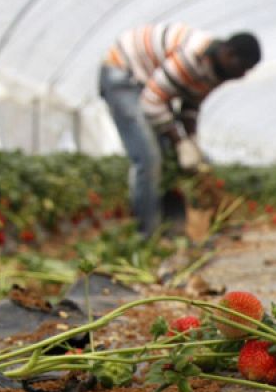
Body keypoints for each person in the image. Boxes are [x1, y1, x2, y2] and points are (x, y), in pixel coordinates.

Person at [99, 24, 260, 236]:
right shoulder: (192, 57)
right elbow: (151, 101)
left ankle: (172, 231)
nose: (243, 74)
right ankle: (146, 235)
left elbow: (190, 107)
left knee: (172, 161)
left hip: (149, 84)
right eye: (243, 67)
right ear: (229, 54)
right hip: (123, 73)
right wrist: (180, 142)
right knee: (149, 158)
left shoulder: (217, 71)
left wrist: (191, 141)